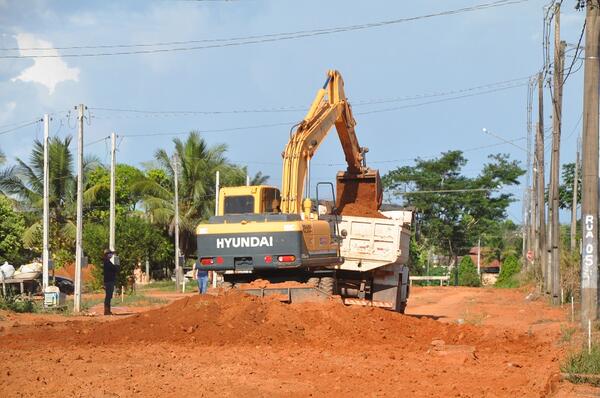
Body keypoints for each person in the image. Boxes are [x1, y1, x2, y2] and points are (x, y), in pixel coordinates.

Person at [102, 249, 119, 315]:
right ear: (107, 254)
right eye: (110, 253)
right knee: (108, 296)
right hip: (109, 281)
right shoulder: (107, 262)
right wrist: (117, 264)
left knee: (109, 296)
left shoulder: (107, 261)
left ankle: (107, 310)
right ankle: (107, 310)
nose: (111, 255)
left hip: (109, 281)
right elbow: (115, 269)